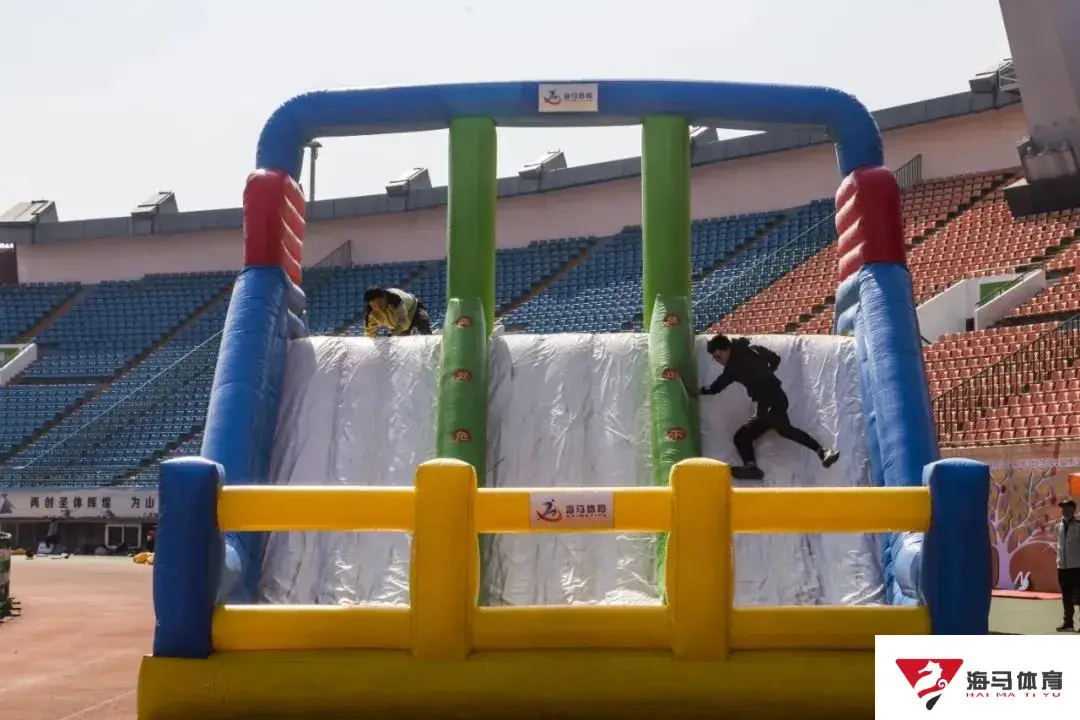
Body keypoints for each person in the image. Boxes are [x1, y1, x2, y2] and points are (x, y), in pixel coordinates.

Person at [699, 334, 839, 480]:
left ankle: (822, 451)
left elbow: (716, 387)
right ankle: (753, 467)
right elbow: (775, 359)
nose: (718, 360)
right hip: (775, 398)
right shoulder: (754, 349)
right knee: (748, 436)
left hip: (768, 402)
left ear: (728, 349)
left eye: (719, 356)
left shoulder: (733, 366)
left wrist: (698, 391)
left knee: (777, 431)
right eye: (715, 358)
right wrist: (767, 374)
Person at [363, 287, 432, 338]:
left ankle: (431, 345)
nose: (379, 308)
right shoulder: (370, 313)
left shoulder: (396, 300)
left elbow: (404, 321)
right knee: (401, 339)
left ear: (384, 298)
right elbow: (369, 332)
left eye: (380, 303)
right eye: (374, 306)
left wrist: (394, 333)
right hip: (396, 321)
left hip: (414, 308)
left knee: (423, 323)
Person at [1056, 498, 1080, 632]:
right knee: (1066, 596)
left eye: (1067, 507)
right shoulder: (1058, 526)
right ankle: (1068, 623)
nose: (1064, 510)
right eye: (1062, 508)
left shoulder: (1078, 526)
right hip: (1062, 567)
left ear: (1073, 509)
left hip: (1077, 566)